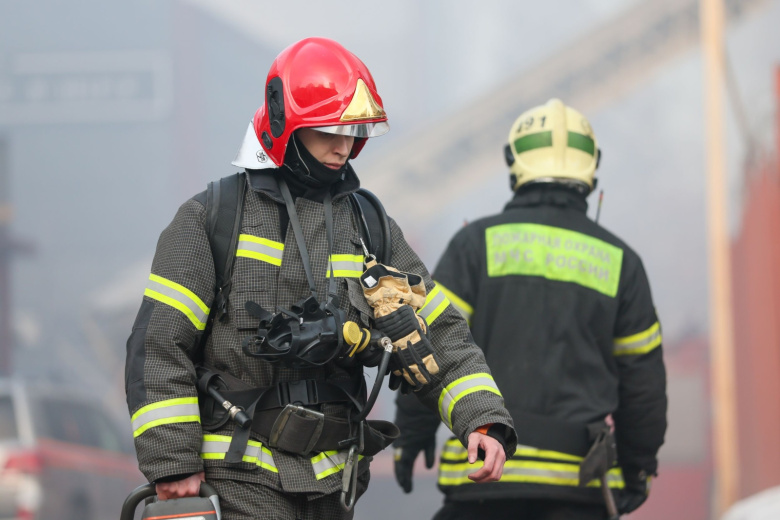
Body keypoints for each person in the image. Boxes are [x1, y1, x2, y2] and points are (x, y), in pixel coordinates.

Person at [125, 37, 516, 520]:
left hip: (334, 486)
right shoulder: (212, 218)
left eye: (352, 130)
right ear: (285, 125)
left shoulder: (369, 227)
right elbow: (159, 345)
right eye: (329, 128)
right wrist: (173, 462)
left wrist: (482, 419)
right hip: (236, 479)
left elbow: (438, 331)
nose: (343, 145)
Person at [393, 98, 667, 520]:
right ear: (590, 168)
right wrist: (638, 468)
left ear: (514, 163)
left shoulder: (474, 246)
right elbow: (643, 387)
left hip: (482, 487)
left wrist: (411, 433)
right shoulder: (621, 263)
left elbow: (428, 345)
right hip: (579, 492)